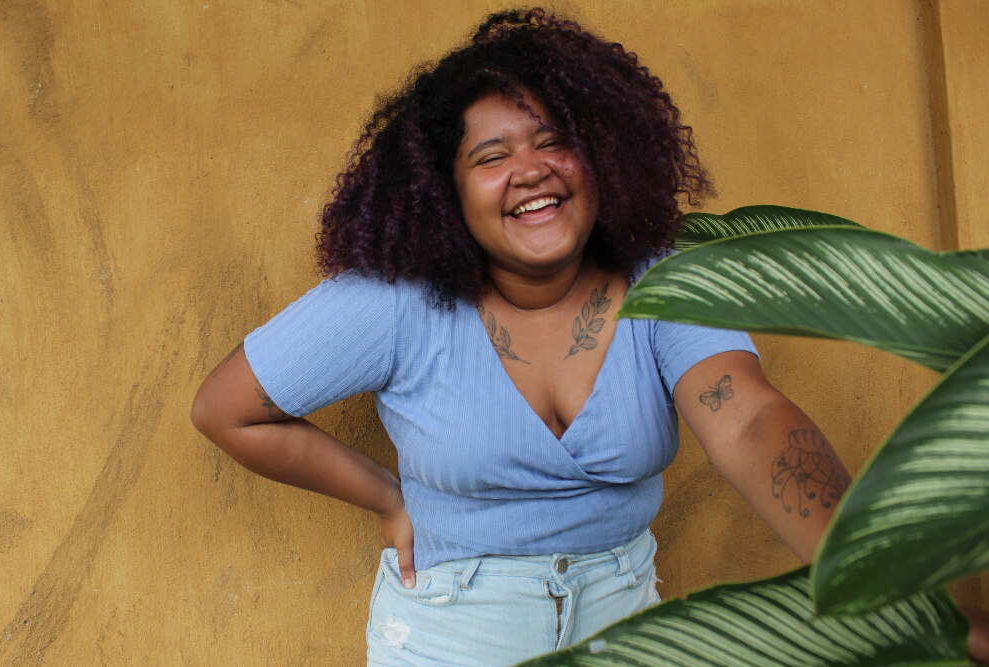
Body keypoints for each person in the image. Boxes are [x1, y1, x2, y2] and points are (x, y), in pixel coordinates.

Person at [193, 9, 986, 666]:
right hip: (449, 630)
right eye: (491, 156)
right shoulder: (393, 300)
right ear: (446, 191)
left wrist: (891, 580)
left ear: (602, 155)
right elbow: (228, 409)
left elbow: (745, 417)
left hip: (626, 625)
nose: (531, 169)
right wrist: (384, 494)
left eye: (552, 141)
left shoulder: (661, 276)